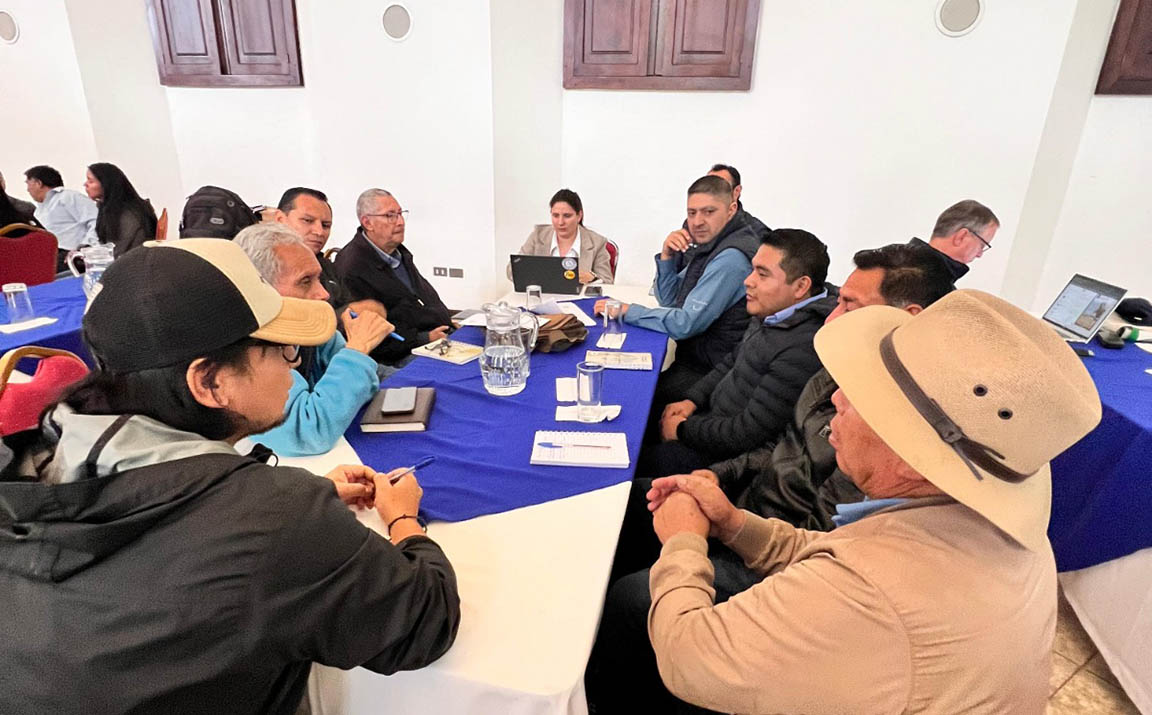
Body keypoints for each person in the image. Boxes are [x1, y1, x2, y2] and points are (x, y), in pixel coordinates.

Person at [0, 238, 460, 714]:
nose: (293, 364)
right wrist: (403, 520)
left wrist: (303, 496)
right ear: (210, 382)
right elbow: (424, 623)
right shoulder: (276, 516)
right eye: (281, 350)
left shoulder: (30, 461)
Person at [601, 290, 1101, 714]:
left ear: (912, 457)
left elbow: (690, 660)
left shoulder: (876, 592)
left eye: (862, 395)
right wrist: (733, 523)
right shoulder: (961, 520)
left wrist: (683, 541)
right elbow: (840, 550)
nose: (836, 399)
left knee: (635, 603)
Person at [590, 245, 958, 709]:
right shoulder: (834, 374)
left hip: (782, 562)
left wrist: (701, 537)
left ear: (907, 317)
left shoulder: (899, 432)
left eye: (850, 306)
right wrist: (714, 480)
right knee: (625, 505)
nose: (832, 317)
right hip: (751, 517)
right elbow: (776, 447)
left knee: (632, 598)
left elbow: (826, 540)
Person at [640, 229, 832, 477]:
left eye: (762, 274)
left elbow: (747, 432)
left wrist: (682, 430)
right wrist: (691, 401)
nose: (748, 281)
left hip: (723, 462)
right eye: (753, 270)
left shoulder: (803, 347)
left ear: (801, 286)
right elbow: (731, 361)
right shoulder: (774, 313)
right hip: (709, 422)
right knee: (637, 418)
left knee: (629, 467)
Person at [594, 174, 769, 400]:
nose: (697, 221)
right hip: (699, 361)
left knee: (631, 394)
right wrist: (667, 256)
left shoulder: (731, 258)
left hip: (712, 373)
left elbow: (685, 324)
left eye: (709, 212)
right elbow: (669, 299)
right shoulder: (713, 244)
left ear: (731, 209)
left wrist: (627, 310)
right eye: (692, 213)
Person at [235, 223, 393, 456]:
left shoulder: (310, 329)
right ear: (260, 287)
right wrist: (358, 349)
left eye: (319, 279)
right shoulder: (243, 352)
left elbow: (367, 384)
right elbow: (308, 433)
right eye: (306, 281)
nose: (324, 294)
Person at [335, 188, 455, 364]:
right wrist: (424, 338)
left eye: (400, 214)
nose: (400, 222)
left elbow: (420, 297)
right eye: (390, 216)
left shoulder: (397, 253)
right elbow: (369, 332)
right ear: (367, 222)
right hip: (400, 353)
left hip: (434, 334)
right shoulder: (352, 267)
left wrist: (447, 320)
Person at [506, 188, 614, 284]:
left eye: (567, 216)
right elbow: (512, 271)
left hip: (579, 298)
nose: (560, 222)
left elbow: (607, 282)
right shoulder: (538, 236)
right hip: (543, 297)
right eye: (555, 215)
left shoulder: (597, 242)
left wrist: (593, 278)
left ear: (579, 216)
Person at [24, 164, 98, 271]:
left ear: (38, 183)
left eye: (28, 184)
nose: (27, 190)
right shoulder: (38, 211)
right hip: (50, 256)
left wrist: (86, 247)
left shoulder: (68, 197)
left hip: (72, 255)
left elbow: (95, 220)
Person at [910, 199, 999, 280]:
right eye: (982, 246)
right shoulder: (934, 286)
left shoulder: (904, 264)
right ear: (961, 237)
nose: (979, 255)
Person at [84, 162, 158, 258]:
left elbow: (117, 251)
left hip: (132, 263)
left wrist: (89, 255)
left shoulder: (128, 213)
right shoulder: (107, 208)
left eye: (90, 181)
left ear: (105, 184)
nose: (85, 184)